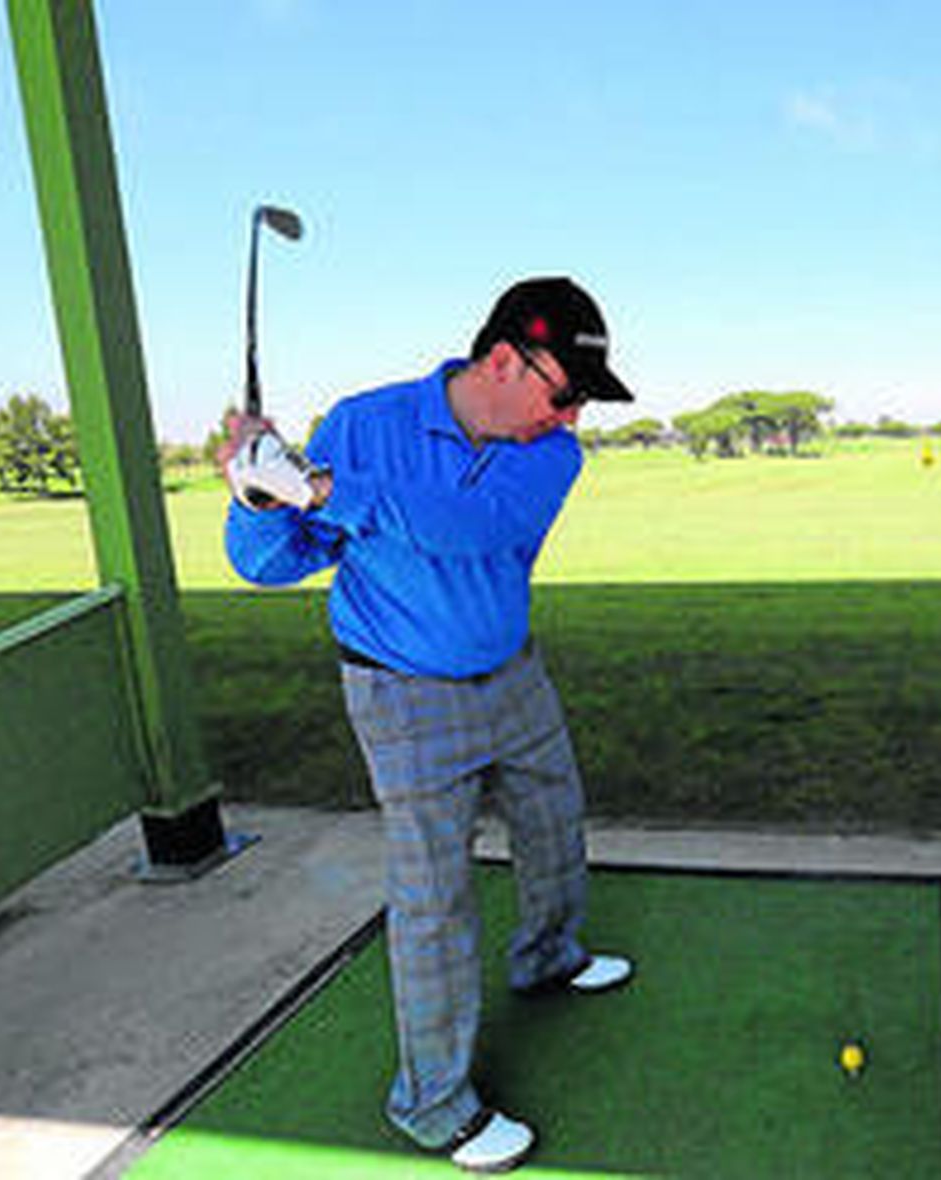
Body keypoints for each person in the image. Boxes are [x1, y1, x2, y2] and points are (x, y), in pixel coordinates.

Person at [220, 277, 636, 1173]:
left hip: (512, 674)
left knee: (555, 822)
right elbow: (270, 562)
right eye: (565, 395)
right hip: (403, 695)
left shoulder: (549, 457)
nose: (571, 420)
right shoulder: (364, 424)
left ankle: (549, 957)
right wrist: (258, 492)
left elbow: (472, 525)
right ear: (501, 359)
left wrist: (323, 486)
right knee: (432, 897)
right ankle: (434, 1106)